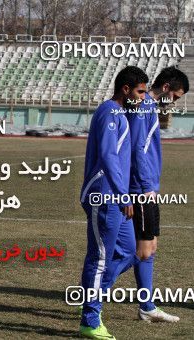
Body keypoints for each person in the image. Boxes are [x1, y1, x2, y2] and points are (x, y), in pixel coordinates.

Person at [79, 66, 149, 339]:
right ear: (126, 89)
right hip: (104, 196)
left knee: (131, 251)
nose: (143, 97)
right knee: (99, 259)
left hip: (117, 197)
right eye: (140, 92)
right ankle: (90, 319)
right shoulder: (110, 112)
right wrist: (122, 195)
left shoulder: (122, 114)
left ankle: (92, 297)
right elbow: (108, 156)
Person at [127, 66, 189, 323]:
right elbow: (138, 150)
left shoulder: (149, 108)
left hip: (148, 187)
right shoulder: (144, 110)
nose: (174, 103)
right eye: (174, 97)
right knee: (140, 249)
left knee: (149, 248)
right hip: (143, 190)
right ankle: (91, 293)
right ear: (165, 89)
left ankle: (147, 306)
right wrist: (144, 188)